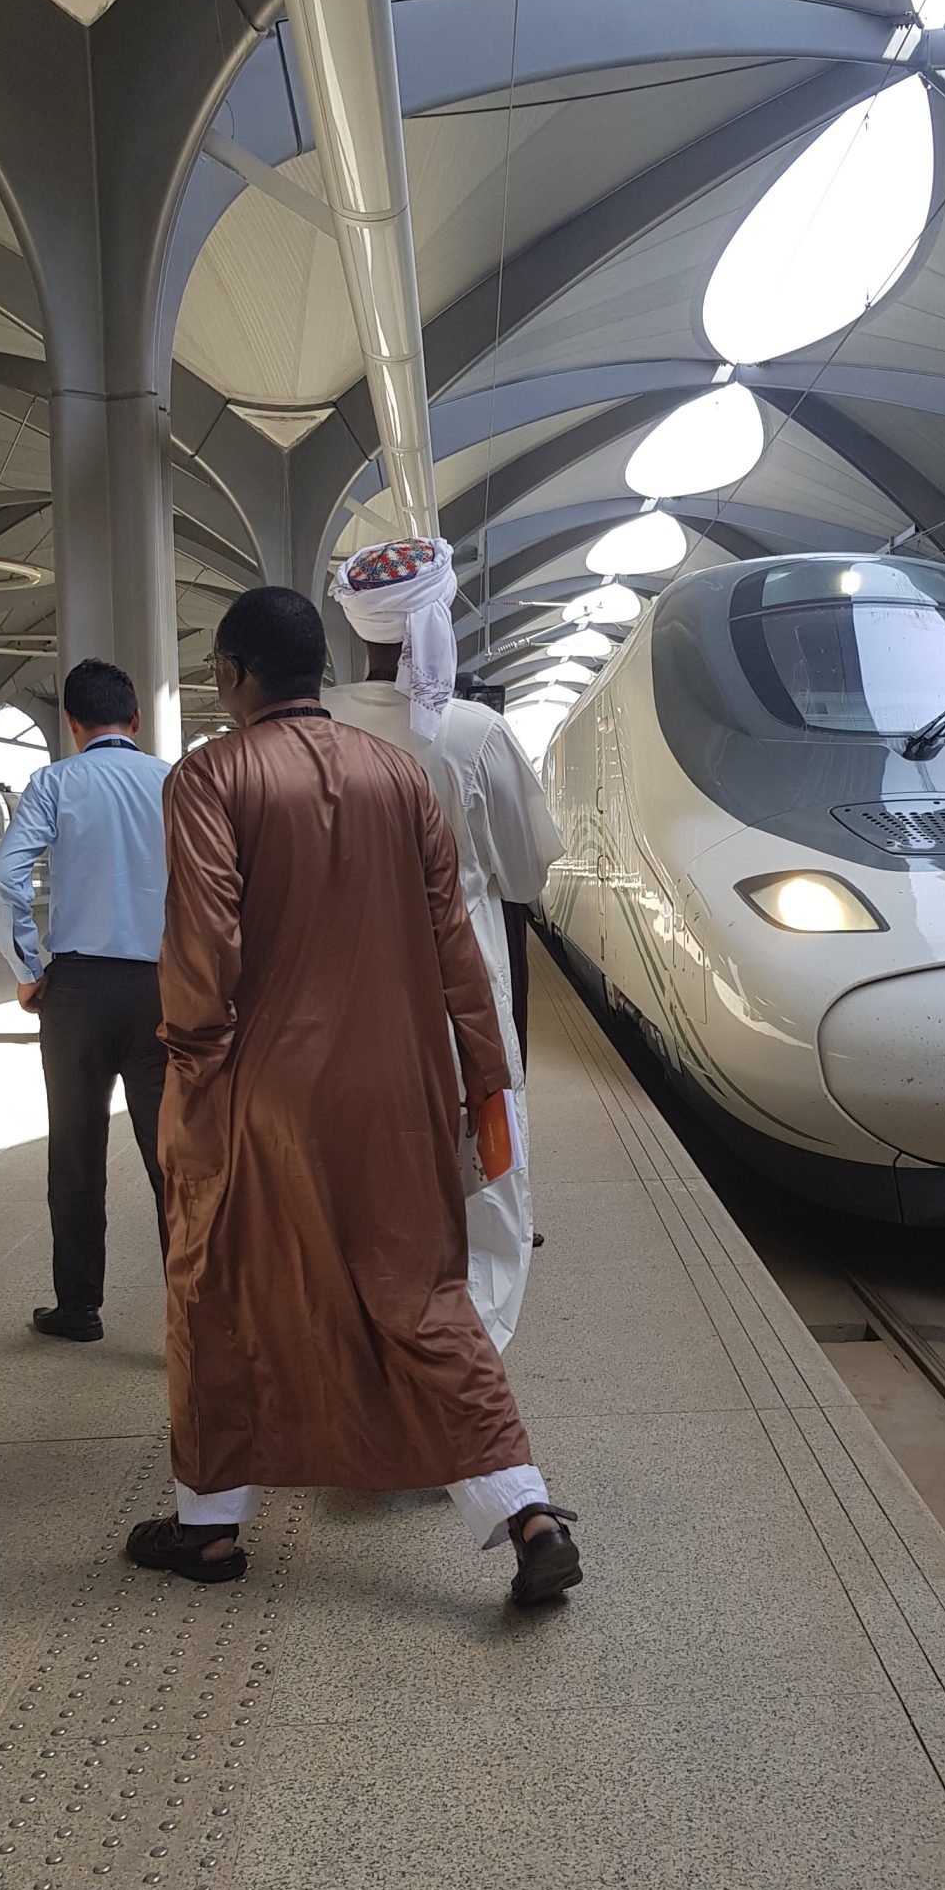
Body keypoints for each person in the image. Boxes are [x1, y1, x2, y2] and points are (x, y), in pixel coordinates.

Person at [127, 584, 581, 1606]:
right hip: (400, 1085)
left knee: (217, 1285)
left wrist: (193, 1073)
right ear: (316, 667)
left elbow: (204, 950)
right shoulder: (398, 774)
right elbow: (457, 944)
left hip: (262, 1089)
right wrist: (484, 1077)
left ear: (230, 675)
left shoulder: (210, 778)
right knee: (424, 1290)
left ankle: (210, 1528)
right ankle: (528, 1512)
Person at [330, 535, 564, 1346]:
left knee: (358, 1169)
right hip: (460, 1003)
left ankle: (371, 1336)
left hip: (340, 998)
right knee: (483, 1176)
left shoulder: (314, 726)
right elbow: (527, 877)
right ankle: (471, 1353)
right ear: (437, 620)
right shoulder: (475, 734)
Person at [0, 658, 169, 1343]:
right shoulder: (175, 780)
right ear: (137, 719)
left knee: (75, 1150)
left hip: (79, 992)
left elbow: (5, 881)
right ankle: (193, 1315)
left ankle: (79, 1307)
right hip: (163, 990)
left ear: (71, 724)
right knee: (175, 1156)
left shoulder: (54, 782)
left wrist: (26, 967)